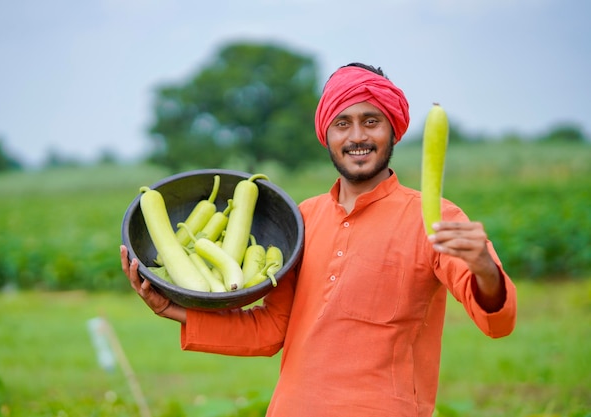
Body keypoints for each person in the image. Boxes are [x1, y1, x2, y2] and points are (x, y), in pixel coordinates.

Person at [120, 62, 517, 417]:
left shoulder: (436, 217)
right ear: (326, 133)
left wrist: (483, 266)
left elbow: (497, 322)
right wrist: (173, 310)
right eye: (342, 123)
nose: (357, 136)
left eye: (371, 121)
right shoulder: (304, 218)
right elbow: (272, 329)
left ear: (393, 128)